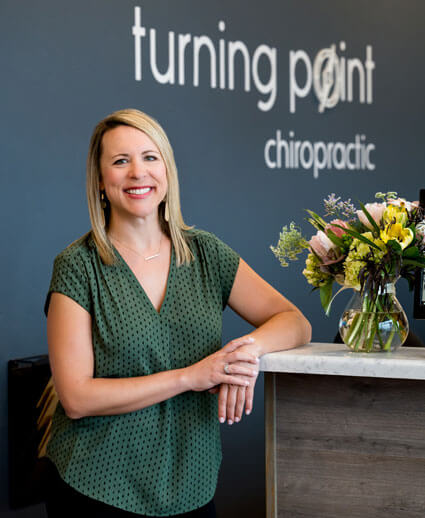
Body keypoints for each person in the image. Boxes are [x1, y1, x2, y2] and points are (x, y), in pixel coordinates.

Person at [44, 108, 311, 518]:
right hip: (98, 484)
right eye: (121, 161)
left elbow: (295, 321)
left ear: (167, 171)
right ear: (100, 181)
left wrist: (242, 354)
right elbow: (77, 397)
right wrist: (192, 376)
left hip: (192, 482)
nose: (138, 172)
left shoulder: (205, 252)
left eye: (150, 157)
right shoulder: (78, 266)